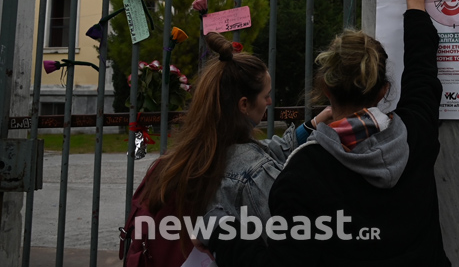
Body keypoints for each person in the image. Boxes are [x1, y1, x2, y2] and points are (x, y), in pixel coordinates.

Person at [204, 0, 451, 266]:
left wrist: (221, 233)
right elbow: (422, 74)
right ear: (383, 91)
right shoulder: (415, 132)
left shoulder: (303, 175)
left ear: (325, 88)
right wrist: (415, 1)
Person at [125, 32, 331, 264]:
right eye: (266, 95)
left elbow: (266, 151)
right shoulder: (252, 172)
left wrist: (312, 125)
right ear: (244, 104)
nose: (270, 102)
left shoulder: (187, 155)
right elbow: (289, 247)